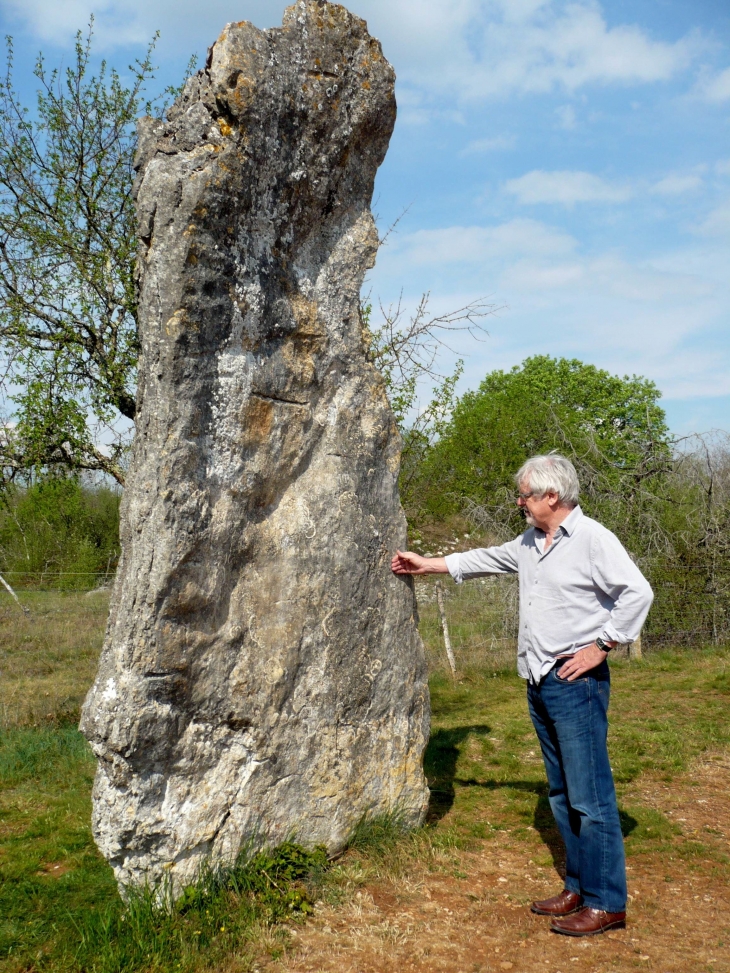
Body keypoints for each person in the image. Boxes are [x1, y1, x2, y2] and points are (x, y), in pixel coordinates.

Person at [391, 454, 653, 937]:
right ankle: (577, 885)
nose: (520, 502)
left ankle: (606, 902)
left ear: (551, 496)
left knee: (591, 798)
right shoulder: (533, 541)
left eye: (526, 495)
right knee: (561, 793)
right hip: (539, 680)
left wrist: (601, 647)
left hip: (577, 683)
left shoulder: (594, 539)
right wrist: (428, 564)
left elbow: (638, 593)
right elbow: (488, 558)